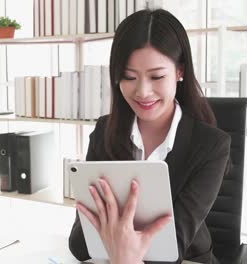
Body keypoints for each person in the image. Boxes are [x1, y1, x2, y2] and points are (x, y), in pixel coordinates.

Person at [68, 8, 231, 264]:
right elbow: (80, 243)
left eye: (156, 76)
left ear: (180, 71)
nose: (143, 92)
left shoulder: (211, 145)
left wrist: (120, 247)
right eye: (129, 77)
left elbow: (173, 248)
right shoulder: (104, 132)